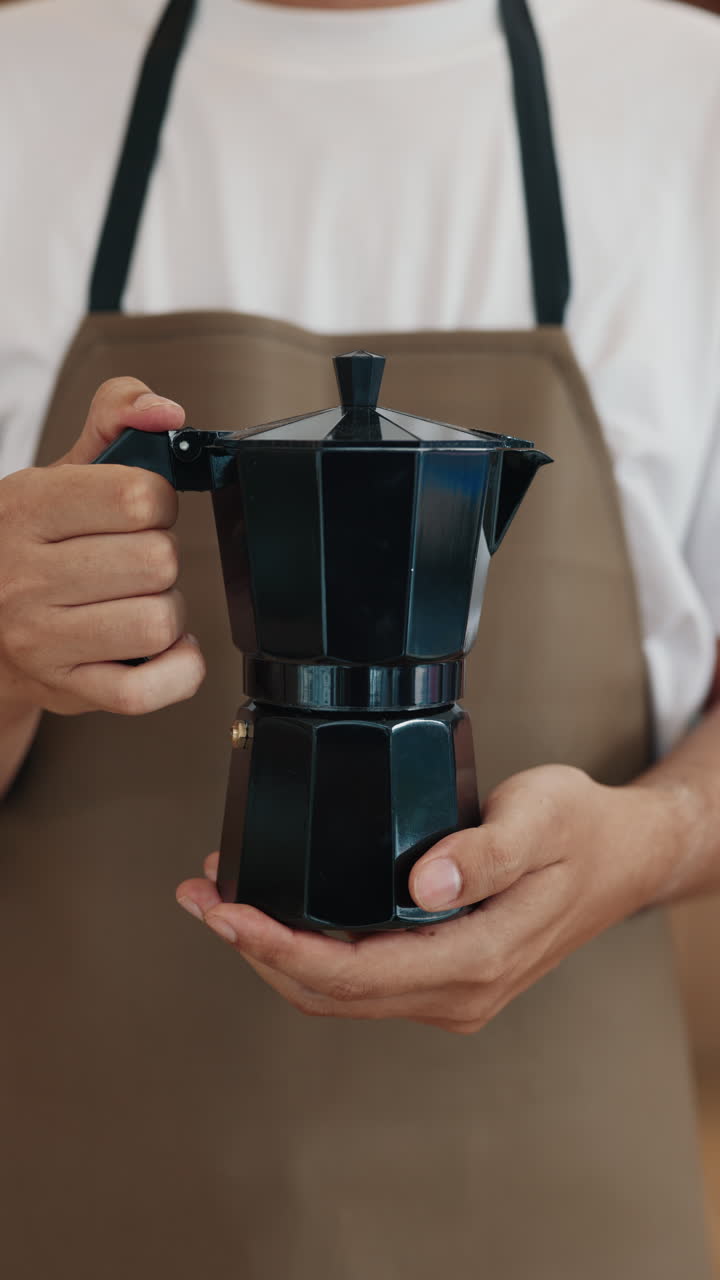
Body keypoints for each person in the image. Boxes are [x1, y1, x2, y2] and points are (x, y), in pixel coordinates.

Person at [0, 0, 719, 1274]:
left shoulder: (693, 94)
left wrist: (654, 835)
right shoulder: (18, 82)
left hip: (559, 1197)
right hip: (90, 1182)